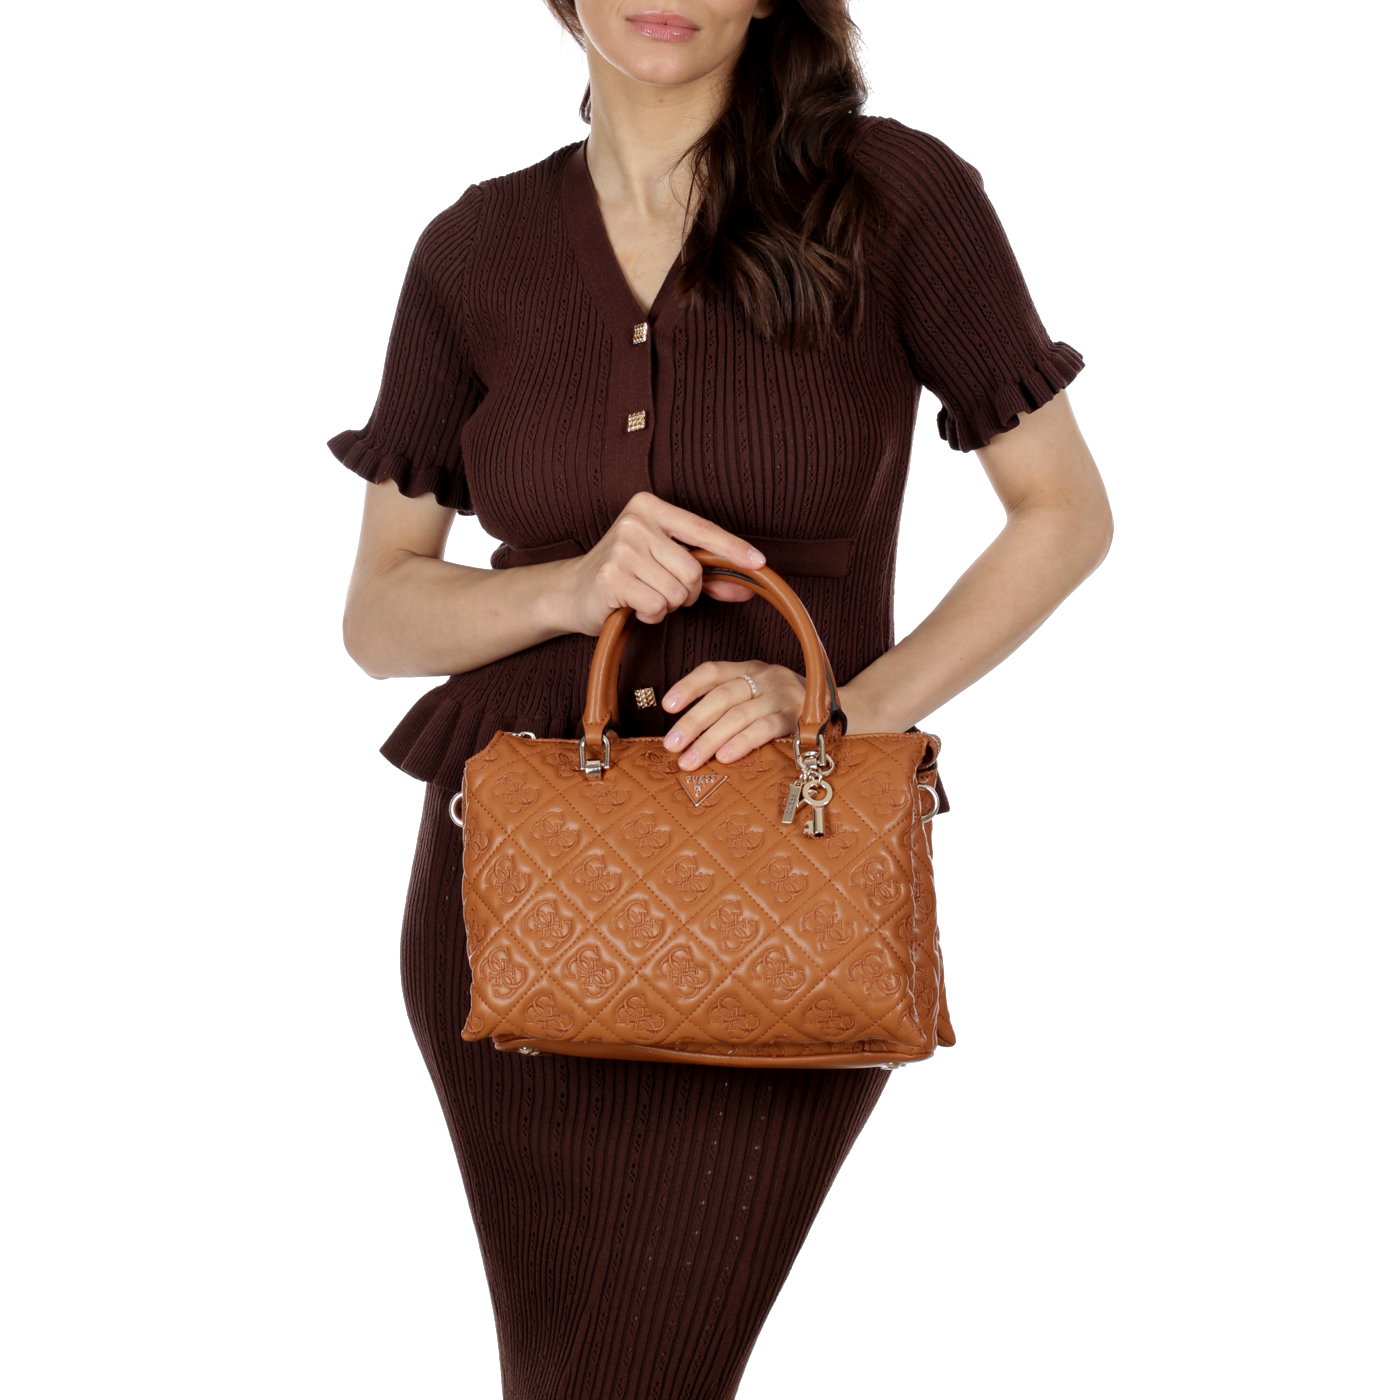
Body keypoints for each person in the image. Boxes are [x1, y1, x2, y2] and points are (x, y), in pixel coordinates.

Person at [332, 3, 1111, 1395]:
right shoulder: (472, 250)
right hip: (511, 910)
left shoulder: (894, 196)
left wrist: (842, 712)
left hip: (790, 890)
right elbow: (380, 613)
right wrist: (569, 589)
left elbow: (1062, 514)